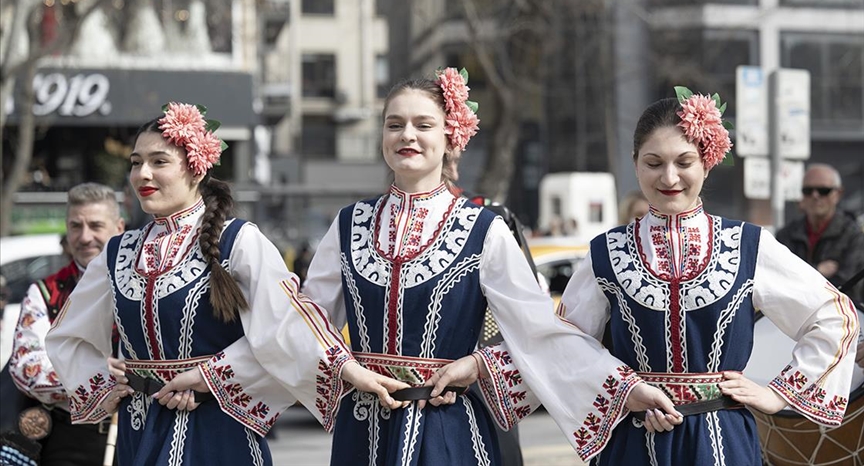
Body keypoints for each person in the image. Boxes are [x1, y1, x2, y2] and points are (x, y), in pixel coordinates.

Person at [249, 69, 678, 465]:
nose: (407, 135)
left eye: (423, 124)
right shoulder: (350, 224)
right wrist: (346, 369)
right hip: (364, 431)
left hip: (449, 427)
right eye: (394, 124)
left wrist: (477, 366)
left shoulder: (484, 229)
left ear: (451, 137)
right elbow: (302, 322)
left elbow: (538, 332)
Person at [44, 103, 408, 465]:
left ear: (196, 168)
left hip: (218, 430)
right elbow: (67, 336)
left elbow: (283, 324)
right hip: (142, 429)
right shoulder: (118, 252)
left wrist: (211, 376)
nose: (142, 174)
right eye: (136, 162)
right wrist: (101, 387)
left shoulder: (239, 241)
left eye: (159, 162)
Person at [556, 90, 860, 465]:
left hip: (722, 440)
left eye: (684, 162)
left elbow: (834, 316)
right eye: (654, 163)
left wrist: (778, 395)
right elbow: (564, 343)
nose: (670, 177)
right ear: (635, 164)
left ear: (707, 163)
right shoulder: (607, 252)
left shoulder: (747, 244)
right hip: (634, 439)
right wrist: (624, 389)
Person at [9, 183, 125, 465]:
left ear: (119, 227)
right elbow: (25, 367)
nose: (85, 237)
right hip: (70, 437)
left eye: (96, 225)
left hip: (137, 431)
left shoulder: (142, 285)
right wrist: (96, 375)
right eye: (76, 226)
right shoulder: (46, 291)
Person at [776, 163, 864, 305]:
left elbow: (847, 286)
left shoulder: (853, 236)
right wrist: (818, 270)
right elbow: (778, 281)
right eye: (808, 190)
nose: (815, 196)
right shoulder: (786, 235)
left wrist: (799, 277)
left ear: (838, 194)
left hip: (840, 317)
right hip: (791, 320)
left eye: (823, 190)